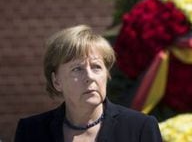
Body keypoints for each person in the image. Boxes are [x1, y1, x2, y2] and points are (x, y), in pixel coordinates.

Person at [14, 25, 162, 142]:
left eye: (96, 67)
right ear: (56, 81)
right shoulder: (31, 131)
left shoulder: (139, 128)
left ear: (107, 74)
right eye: (77, 69)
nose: (89, 77)